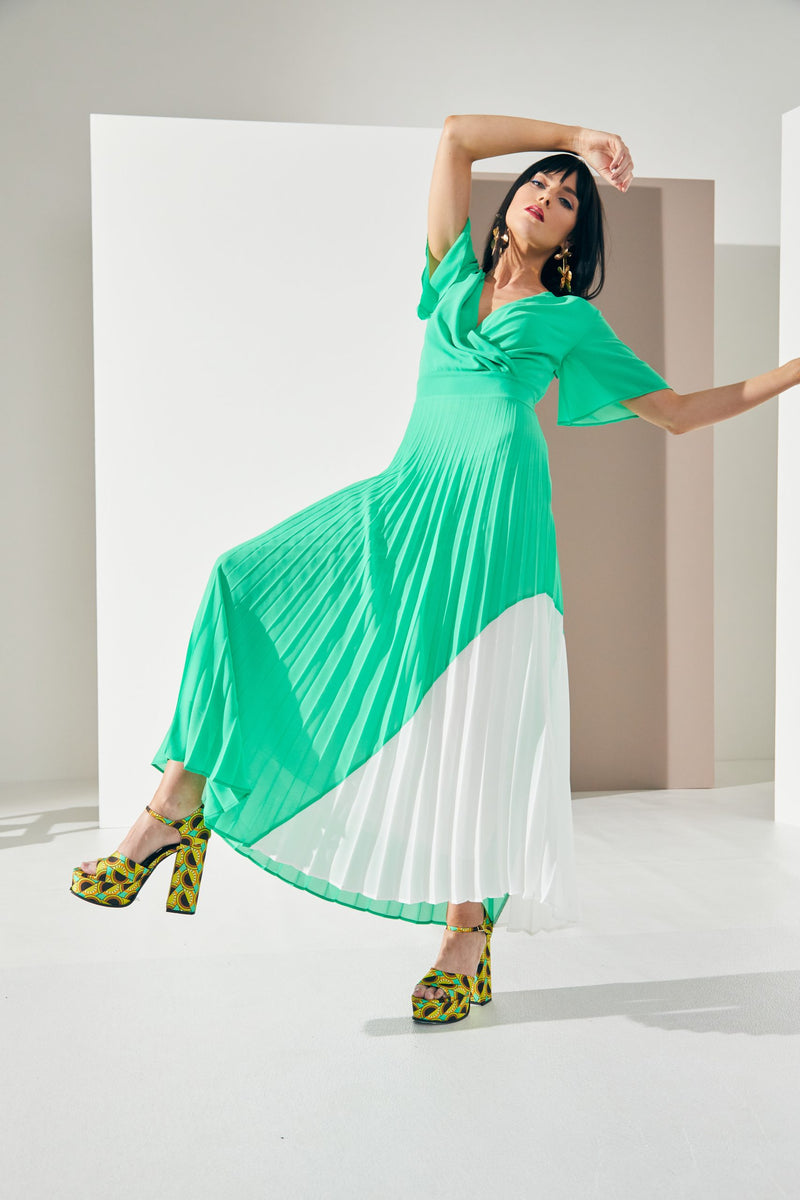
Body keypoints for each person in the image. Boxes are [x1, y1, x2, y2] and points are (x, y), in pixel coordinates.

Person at [70, 114, 800, 1025]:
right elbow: (455, 136)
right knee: (239, 579)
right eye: (540, 183)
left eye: (569, 201)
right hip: (410, 496)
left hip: (498, 527)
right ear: (513, 199)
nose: (549, 197)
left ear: (574, 241)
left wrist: (794, 370)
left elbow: (680, 412)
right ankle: (174, 805)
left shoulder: (569, 319)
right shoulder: (450, 272)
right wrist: (577, 136)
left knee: (477, 719)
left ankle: (465, 934)